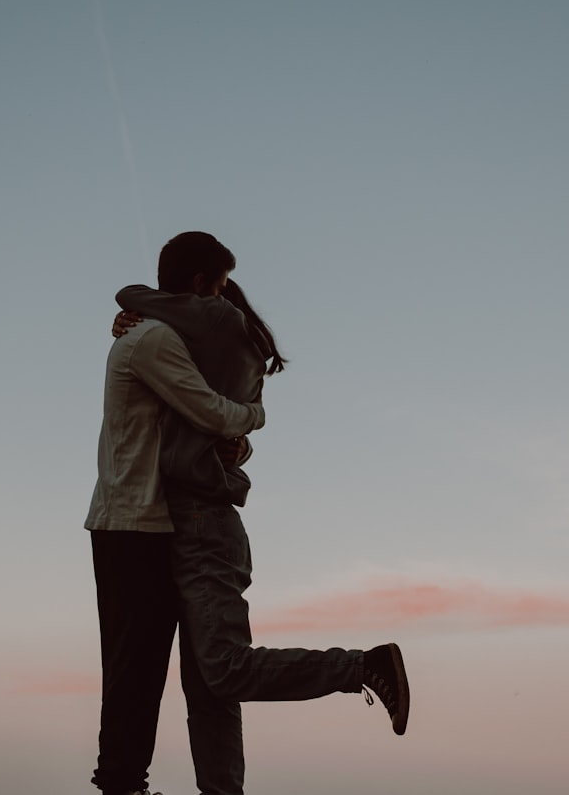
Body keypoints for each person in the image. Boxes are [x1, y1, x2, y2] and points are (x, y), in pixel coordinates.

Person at [114, 232, 409, 795]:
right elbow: (218, 428)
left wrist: (131, 308)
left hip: (202, 521)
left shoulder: (216, 321)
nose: (221, 295)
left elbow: (131, 292)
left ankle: (362, 666)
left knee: (222, 669)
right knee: (209, 692)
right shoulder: (208, 339)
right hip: (185, 521)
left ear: (196, 290)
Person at [86, 254, 267, 795]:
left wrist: (239, 443)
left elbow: (200, 427)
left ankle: (133, 782)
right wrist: (254, 417)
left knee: (163, 671)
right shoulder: (155, 341)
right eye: (222, 284)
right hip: (133, 521)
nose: (225, 296)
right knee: (134, 668)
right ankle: (121, 784)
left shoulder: (160, 337)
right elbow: (209, 412)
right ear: (199, 284)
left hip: (154, 520)